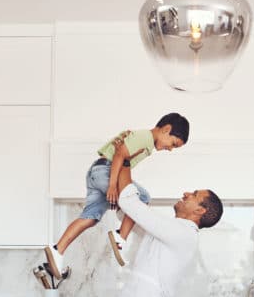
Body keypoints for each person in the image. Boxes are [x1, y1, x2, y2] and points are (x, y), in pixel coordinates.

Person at [43, 113, 190, 278]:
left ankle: (57, 251)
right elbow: (119, 154)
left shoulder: (144, 140)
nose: (170, 149)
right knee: (142, 198)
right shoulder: (144, 137)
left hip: (97, 172)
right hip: (105, 171)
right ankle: (120, 236)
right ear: (166, 129)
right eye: (173, 144)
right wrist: (112, 186)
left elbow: (122, 157)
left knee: (90, 218)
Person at [104, 163, 224, 297]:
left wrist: (125, 159)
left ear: (200, 211)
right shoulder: (169, 229)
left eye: (193, 194)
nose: (185, 193)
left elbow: (132, 205)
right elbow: (129, 213)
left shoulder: (184, 233)